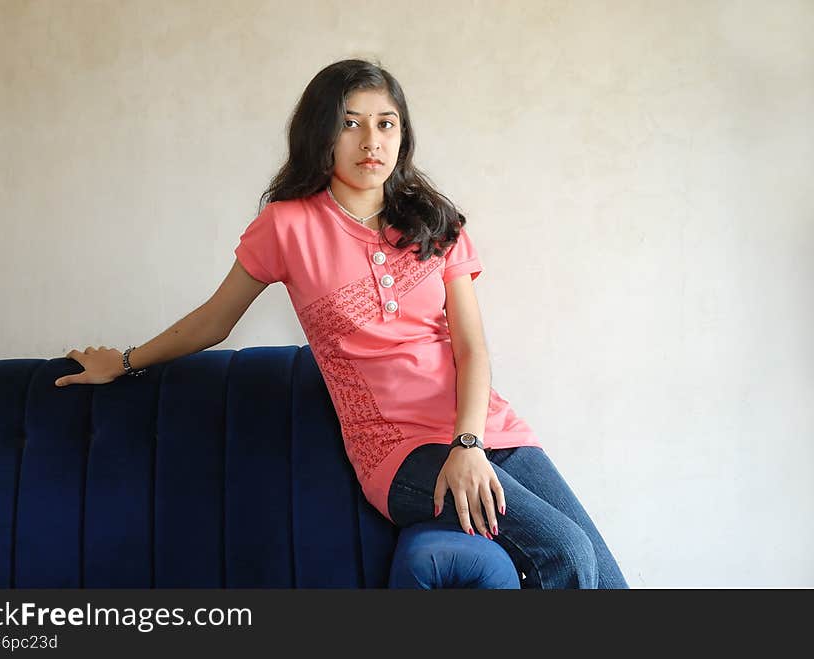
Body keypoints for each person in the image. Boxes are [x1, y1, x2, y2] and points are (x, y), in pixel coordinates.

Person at [54, 58, 629, 589]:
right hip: (399, 453)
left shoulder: (436, 222)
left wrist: (469, 441)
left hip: (481, 429)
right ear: (321, 133)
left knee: (607, 578)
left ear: (402, 137)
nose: (371, 141)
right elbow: (213, 320)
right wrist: (124, 361)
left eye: (386, 124)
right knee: (565, 555)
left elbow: (472, 350)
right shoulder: (287, 226)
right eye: (351, 123)